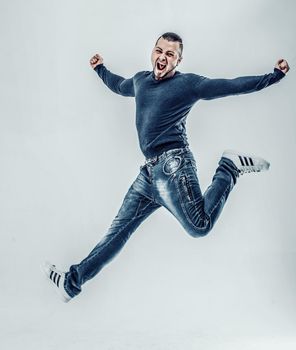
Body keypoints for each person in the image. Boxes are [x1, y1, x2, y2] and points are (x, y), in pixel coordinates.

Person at [43, 32, 290, 302]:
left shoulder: (188, 85)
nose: (162, 57)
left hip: (174, 167)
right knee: (117, 233)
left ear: (178, 60)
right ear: (153, 52)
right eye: (159, 51)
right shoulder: (140, 81)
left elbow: (230, 85)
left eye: (170, 54)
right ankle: (72, 282)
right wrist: (100, 68)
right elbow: (118, 85)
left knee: (200, 227)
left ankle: (228, 168)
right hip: (149, 174)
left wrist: (273, 76)